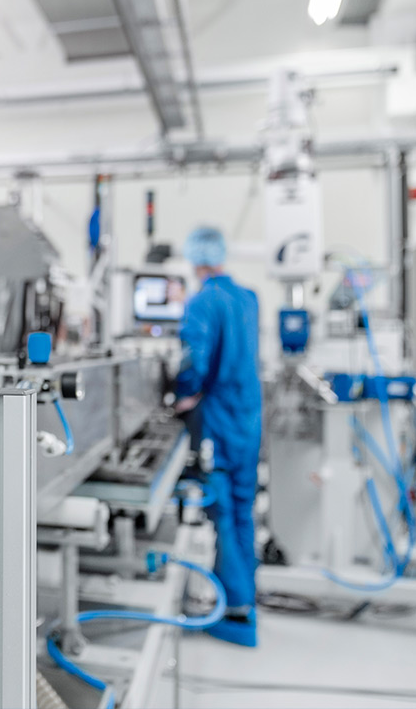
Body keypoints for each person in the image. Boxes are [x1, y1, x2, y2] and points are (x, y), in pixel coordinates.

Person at [174, 226, 263, 647]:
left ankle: (235, 611)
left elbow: (195, 360)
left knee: (223, 509)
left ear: (195, 259)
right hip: (248, 416)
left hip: (221, 418)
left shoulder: (202, 302)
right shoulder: (249, 299)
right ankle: (245, 598)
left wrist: (186, 394)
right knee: (245, 508)